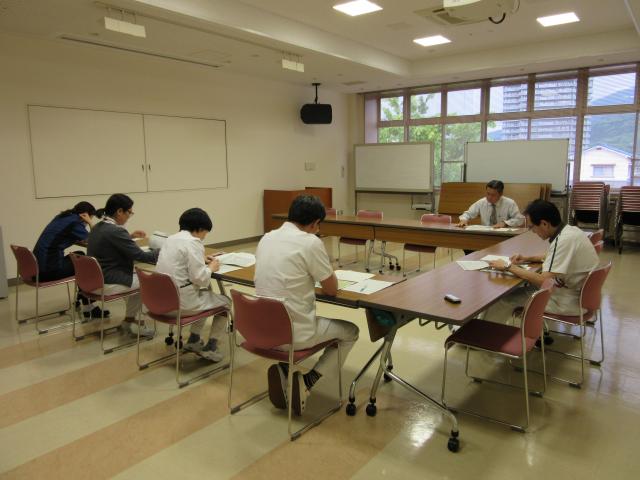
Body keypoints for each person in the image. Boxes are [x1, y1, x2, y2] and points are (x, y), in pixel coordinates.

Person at [254, 194, 359, 415]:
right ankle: (307, 382)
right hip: (293, 332)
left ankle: (285, 368)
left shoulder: (267, 237)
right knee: (350, 331)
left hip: (260, 330)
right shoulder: (310, 242)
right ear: (315, 223)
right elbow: (331, 288)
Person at [486, 199, 599, 321]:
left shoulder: (563, 241)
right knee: (522, 288)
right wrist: (527, 258)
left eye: (532, 227)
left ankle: (487, 338)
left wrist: (508, 266)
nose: (533, 232)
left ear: (544, 224)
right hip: (577, 296)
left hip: (567, 302)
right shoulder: (571, 231)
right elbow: (556, 256)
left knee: (503, 300)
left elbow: (544, 281)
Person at [155, 208, 229, 362]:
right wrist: (211, 268)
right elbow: (200, 279)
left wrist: (200, 260)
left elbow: (179, 263)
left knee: (205, 296)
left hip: (159, 302)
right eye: (205, 233)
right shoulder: (193, 242)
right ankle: (210, 348)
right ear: (200, 229)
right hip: (180, 304)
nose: (204, 237)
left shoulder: (170, 239)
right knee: (225, 302)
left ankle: (194, 340)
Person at [87, 194, 159, 337]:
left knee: (138, 281)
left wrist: (129, 237)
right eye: (129, 213)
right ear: (119, 211)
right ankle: (138, 324)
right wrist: (164, 248)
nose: (129, 216)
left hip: (92, 281)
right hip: (107, 281)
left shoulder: (98, 227)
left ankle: (129, 321)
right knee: (148, 282)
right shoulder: (115, 230)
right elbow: (141, 256)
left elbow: (110, 243)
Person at [33, 201, 108, 318]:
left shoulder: (63, 217)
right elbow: (96, 239)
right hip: (48, 271)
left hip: (37, 268)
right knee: (86, 264)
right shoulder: (75, 223)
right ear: (84, 215)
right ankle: (88, 306)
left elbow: (64, 236)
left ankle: (83, 296)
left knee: (80, 255)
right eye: (90, 217)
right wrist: (90, 222)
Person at [457, 180, 525, 228]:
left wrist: (505, 223)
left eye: (493, 195)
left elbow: (520, 219)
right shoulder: (482, 202)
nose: (489, 197)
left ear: (500, 194)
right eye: (488, 194)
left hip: (504, 236)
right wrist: (464, 219)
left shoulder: (509, 203)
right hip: (485, 235)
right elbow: (468, 214)